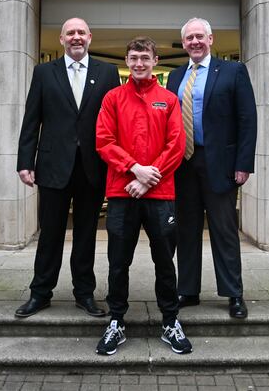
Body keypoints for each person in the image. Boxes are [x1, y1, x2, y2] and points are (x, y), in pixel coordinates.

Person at [15, 17, 120, 319]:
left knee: (87, 234)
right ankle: (40, 293)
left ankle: (84, 293)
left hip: (93, 167)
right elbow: (31, 120)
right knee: (50, 233)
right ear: (61, 39)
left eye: (81, 33)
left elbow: (115, 121)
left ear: (90, 37)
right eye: (70, 33)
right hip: (51, 166)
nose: (76, 37)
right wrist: (25, 161)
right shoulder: (44, 73)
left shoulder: (108, 73)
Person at [94, 37, 192, 356]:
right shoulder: (112, 98)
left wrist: (148, 179)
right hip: (122, 192)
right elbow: (104, 141)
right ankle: (117, 321)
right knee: (118, 262)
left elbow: (176, 146)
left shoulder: (168, 100)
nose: (139, 62)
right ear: (126, 60)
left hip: (161, 194)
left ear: (154, 60)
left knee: (164, 261)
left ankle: (170, 321)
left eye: (144, 57)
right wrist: (135, 169)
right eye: (133, 57)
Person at [166, 17, 257, 319]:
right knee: (186, 229)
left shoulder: (233, 71)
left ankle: (233, 294)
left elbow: (247, 119)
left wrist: (243, 164)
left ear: (210, 39)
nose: (194, 42)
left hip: (220, 163)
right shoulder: (175, 76)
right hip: (184, 164)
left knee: (224, 230)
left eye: (199, 37)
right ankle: (188, 290)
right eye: (189, 38)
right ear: (184, 43)